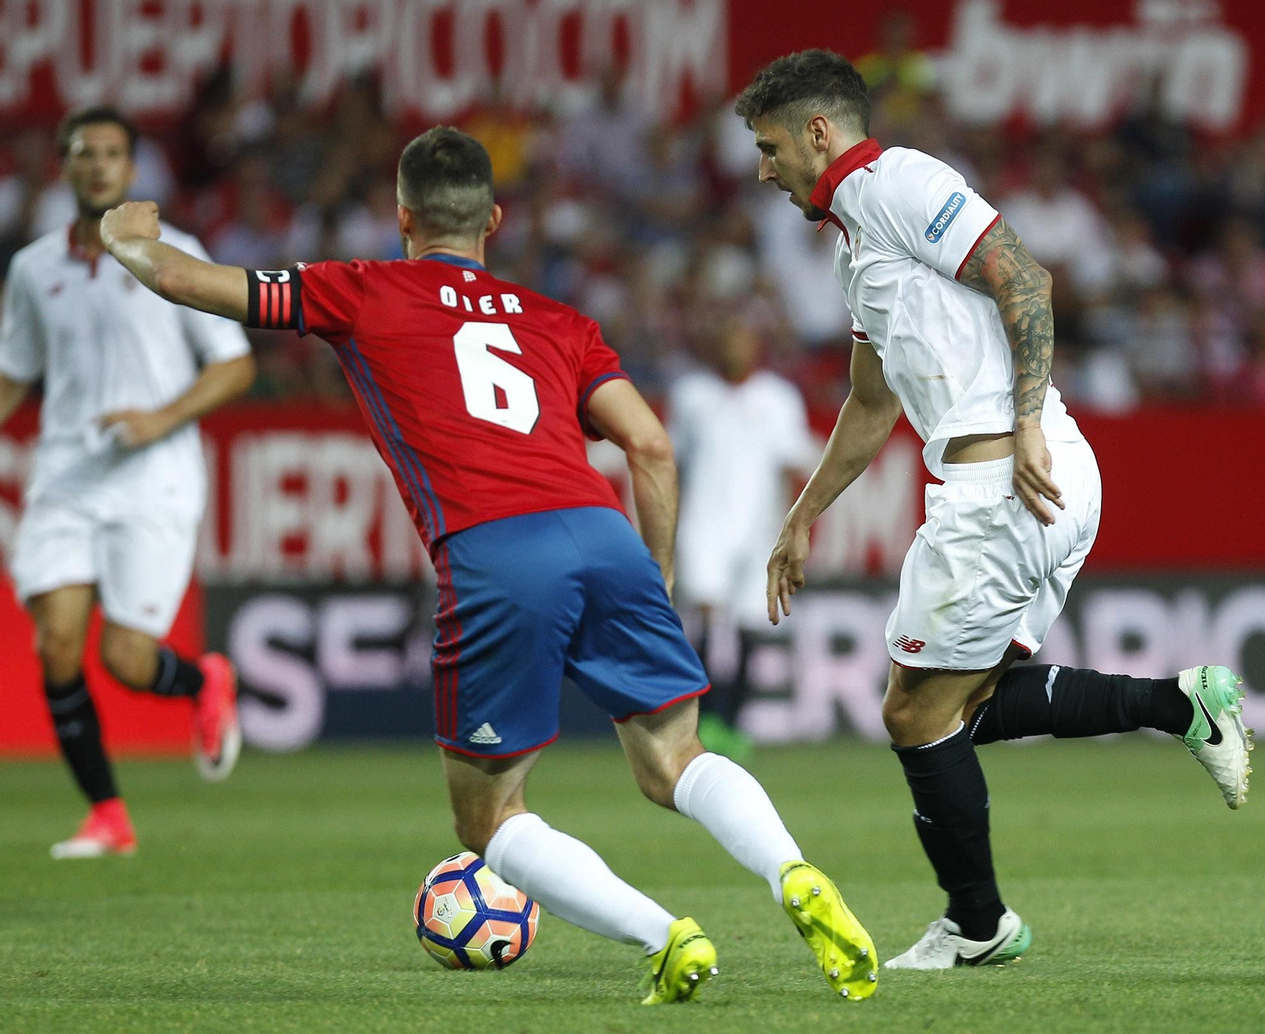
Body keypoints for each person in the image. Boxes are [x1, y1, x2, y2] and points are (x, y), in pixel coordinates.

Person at [97, 126, 877, 1004]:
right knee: (674, 757)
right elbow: (650, 447)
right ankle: (792, 872)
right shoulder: (559, 321)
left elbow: (186, 280)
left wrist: (128, 236)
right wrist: (651, 576)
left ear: (401, 217)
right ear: (495, 220)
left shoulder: (359, 291)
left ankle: (668, 937)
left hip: (497, 550)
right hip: (602, 529)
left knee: (489, 819)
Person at [737, 50, 1253, 970]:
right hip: (1033, 484)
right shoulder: (860, 248)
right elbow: (869, 404)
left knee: (913, 715)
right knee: (959, 710)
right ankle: (1183, 706)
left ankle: (978, 926)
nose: (763, 170)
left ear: (820, 132)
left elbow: (1026, 278)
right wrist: (802, 515)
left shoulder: (900, 182)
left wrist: (1022, 425)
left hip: (1006, 484)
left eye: (771, 148)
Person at [0, 107, 251, 860]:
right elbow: (13, 375)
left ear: (133, 171)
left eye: (113, 153)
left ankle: (202, 680)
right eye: (85, 152)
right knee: (56, 643)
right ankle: (108, 814)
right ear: (67, 167)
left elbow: (235, 363)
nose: (99, 165)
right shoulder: (33, 269)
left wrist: (162, 418)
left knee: (126, 660)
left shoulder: (174, 255)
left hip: (155, 475)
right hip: (68, 474)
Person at [669, 319, 815, 760]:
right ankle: (705, 717)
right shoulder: (692, 395)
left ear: (757, 345)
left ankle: (732, 722)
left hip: (759, 531)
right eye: (727, 337)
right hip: (704, 524)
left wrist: (795, 529)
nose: (734, 347)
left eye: (742, 337)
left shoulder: (778, 398)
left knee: (751, 624)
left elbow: (794, 465)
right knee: (707, 619)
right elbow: (673, 461)